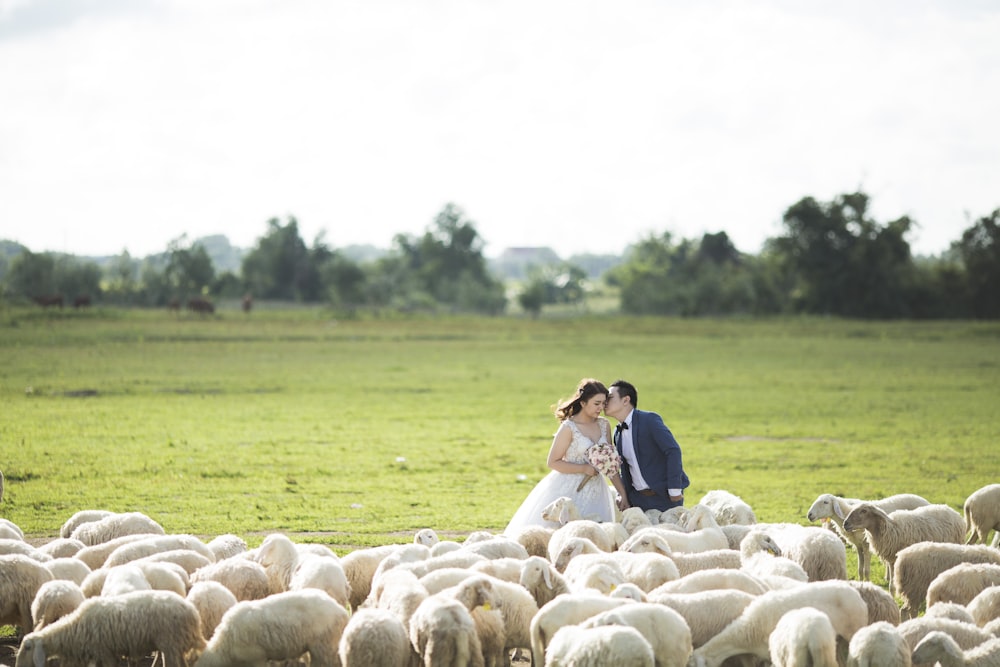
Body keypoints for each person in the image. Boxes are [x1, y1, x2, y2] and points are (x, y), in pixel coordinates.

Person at [504, 379, 629, 534]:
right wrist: (584, 468)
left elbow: (610, 465)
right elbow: (553, 462)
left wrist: (622, 493)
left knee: (595, 532)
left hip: (596, 490)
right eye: (596, 403)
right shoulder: (569, 427)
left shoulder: (604, 425)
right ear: (583, 403)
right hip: (569, 488)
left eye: (604, 403)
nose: (601, 408)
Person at [604, 379, 689, 512]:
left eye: (610, 397)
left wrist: (674, 489)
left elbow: (673, 451)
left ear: (626, 400)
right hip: (638, 501)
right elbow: (625, 468)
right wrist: (624, 495)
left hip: (665, 497)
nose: (605, 402)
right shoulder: (617, 433)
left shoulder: (649, 420)